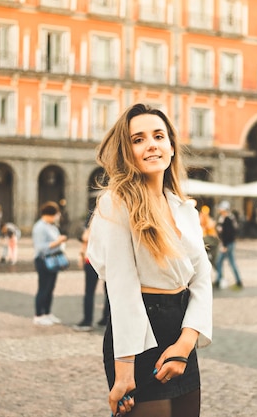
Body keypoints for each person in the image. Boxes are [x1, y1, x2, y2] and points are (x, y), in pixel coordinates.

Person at [87, 103, 213, 417]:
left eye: (158, 136)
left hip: (182, 333)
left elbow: (201, 280)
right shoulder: (115, 204)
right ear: (126, 151)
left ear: (171, 146)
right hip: (137, 339)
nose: (151, 144)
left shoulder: (184, 208)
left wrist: (185, 344)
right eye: (138, 139)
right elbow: (122, 290)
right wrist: (125, 370)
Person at [32, 201, 68, 326]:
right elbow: (41, 247)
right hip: (43, 260)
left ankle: (47, 313)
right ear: (49, 214)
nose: (57, 216)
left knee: (50, 288)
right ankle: (38, 315)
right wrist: (58, 242)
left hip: (53, 259)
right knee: (43, 288)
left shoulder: (51, 226)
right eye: (56, 214)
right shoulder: (40, 227)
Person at [72, 219, 110, 332]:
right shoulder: (111, 226)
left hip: (93, 262)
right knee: (108, 292)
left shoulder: (94, 226)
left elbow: (84, 239)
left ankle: (87, 321)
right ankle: (105, 319)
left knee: (89, 292)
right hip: (107, 261)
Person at [214, 200, 243, 290]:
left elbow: (228, 234)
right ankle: (237, 281)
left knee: (220, 262)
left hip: (228, 244)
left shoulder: (227, 219)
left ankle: (219, 280)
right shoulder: (226, 218)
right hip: (228, 243)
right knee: (229, 262)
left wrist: (225, 246)